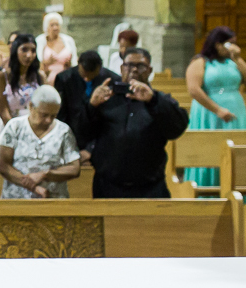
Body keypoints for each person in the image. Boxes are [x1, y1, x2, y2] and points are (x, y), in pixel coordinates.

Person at [80, 48, 188, 198]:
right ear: (121, 68)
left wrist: (153, 100)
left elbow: (177, 128)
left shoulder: (159, 100)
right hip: (108, 187)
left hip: (150, 188)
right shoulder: (106, 100)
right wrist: (91, 106)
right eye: (129, 65)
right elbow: (82, 133)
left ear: (149, 70)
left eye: (141, 66)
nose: (134, 70)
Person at [183, 27, 246, 186]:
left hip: (235, 108)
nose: (233, 47)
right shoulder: (200, 61)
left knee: (235, 150)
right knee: (210, 149)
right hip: (209, 111)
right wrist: (217, 109)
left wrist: (239, 59)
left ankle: (237, 187)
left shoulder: (232, 62)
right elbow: (193, 89)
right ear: (217, 44)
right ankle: (206, 188)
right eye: (229, 43)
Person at [0, 85, 81, 198]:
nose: (48, 120)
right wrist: (32, 186)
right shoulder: (15, 126)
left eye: (53, 116)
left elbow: (74, 169)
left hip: (52, 200)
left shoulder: (63, 131)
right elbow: (2, 165)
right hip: (17, 199)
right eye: (44, 115)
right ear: (31, 106)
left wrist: (46, 175)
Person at [53, 49, 117, 153]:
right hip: (73, 130)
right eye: (84, 75)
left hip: (99, 133)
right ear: (78, 64)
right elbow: (61, 113)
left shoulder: (112, 79)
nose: (87, 79)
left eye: (91, 75)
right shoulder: (64, 78)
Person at [0, 33, 42, 125]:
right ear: (15, 51)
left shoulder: (40, 77)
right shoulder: (1, 77)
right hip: (11, 128)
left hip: (35, 128)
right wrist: (18, 132)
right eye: (24, 50)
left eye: (33, 51)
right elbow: (4, 112)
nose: (29, 55)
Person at [36, 12, 77, 83]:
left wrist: (69, 64)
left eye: (57, 25)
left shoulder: (68, 40)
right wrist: (47, 62)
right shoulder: (40, 41)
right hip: (47, 79)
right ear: (47, 27)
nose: (55, 28)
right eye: (52, 25)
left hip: (66, 80)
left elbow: (74, 62)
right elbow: (37, 63)